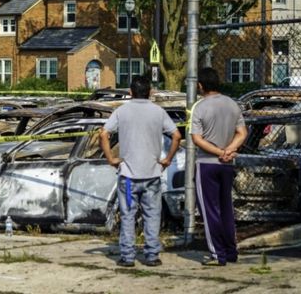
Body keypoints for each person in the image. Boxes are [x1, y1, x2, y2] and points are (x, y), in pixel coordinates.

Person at [100, 75, 181, 267]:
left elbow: (104, 133)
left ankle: (127, 257)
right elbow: (176, 135)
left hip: (128, 176)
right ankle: (152, 255)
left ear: (130, 92)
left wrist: (111, 158)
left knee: (128, 215)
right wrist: (167, 159)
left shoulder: (121, 111)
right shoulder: (158, 112)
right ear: (150, 92)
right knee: (152, 215)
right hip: (152, 174)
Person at [190, 67, 247, 266]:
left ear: (200, 85)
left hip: (207, 163)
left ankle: (217, 253)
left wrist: (218, 152)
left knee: (210, 210)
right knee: (226, 208)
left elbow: (197, 139)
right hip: (227, 164)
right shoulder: (232, 104)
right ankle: (231, 251)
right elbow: (242, 132)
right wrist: (229, 150)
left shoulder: (200, 107)